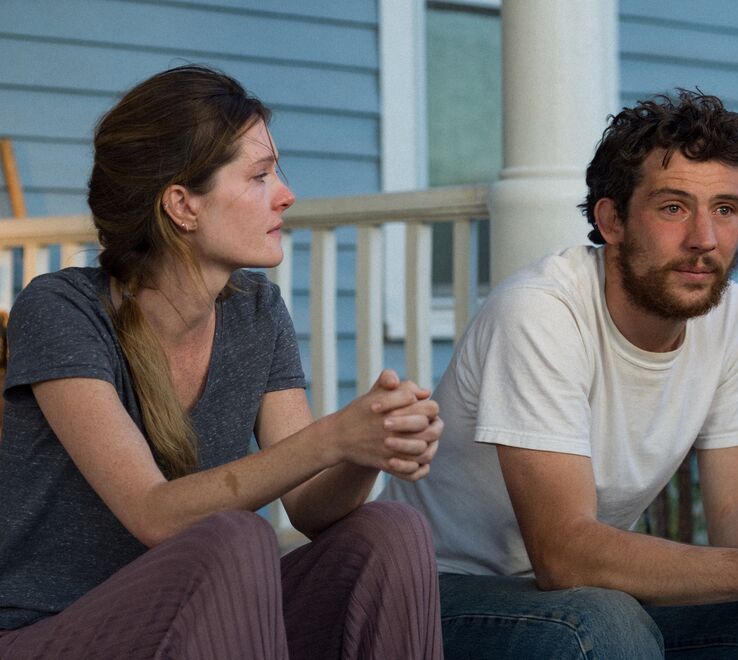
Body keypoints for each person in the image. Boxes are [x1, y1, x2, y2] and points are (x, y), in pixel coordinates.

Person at [383, 90, 738, 658]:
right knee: (604, 620)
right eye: (673, 208)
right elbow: (563, 554)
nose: (704, 239)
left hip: (581, 599)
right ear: (611, 219)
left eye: (725, 209)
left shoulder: (729, 316)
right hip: (435, 594)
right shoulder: (541, 312)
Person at [0, 65, 444, 659]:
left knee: (390, 531)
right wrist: (333, 436)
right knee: (236, 538)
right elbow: (154, 514)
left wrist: (367, 448)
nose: (285, 194)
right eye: (260, 176)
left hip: (203, 619)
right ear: (182, 205)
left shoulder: (256, 311)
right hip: (52, 632)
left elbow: (311, 508)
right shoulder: (61, 310)